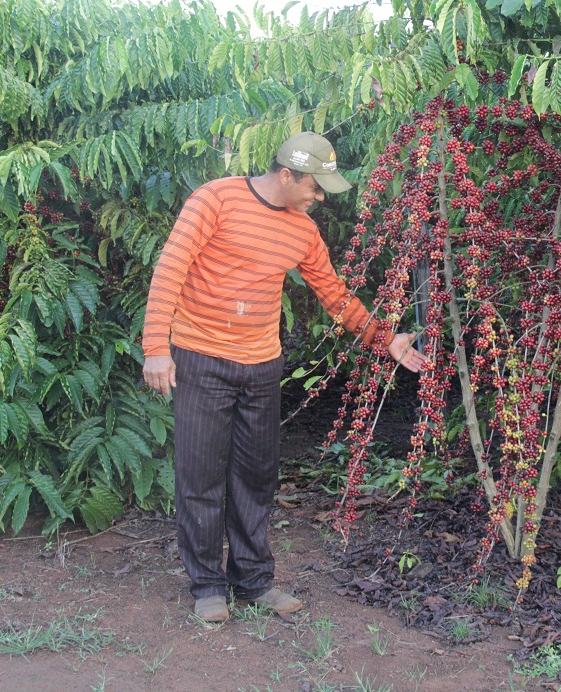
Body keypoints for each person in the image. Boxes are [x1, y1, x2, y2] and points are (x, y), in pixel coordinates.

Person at [141, 132, 426, 623]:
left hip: (261, 364)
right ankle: (208, 585)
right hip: (201, 356)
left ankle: (253, 582)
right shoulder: (215, 199)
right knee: (200, 476)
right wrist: (155, 350)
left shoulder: (301, 231)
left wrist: (383, 338)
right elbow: (170, 269)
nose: (320, 198)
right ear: (288, 174)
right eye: (316, 188)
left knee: (256, 476)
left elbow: (333, 294)